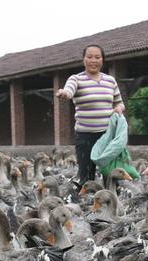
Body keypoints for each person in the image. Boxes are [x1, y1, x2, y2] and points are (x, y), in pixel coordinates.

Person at [56, 44, 125, 186]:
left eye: (97, 57)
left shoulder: (110, 81)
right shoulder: (76, 79)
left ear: (102, 60)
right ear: (84, 60)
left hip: (107, 135)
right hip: (85, 136)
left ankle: (112, 202)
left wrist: (118, 108)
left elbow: (119, 103)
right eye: (89, 57)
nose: (93, 60)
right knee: (86, 176)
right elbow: (69, 91)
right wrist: (64, 93)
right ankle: (87, 204)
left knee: (111, 175)